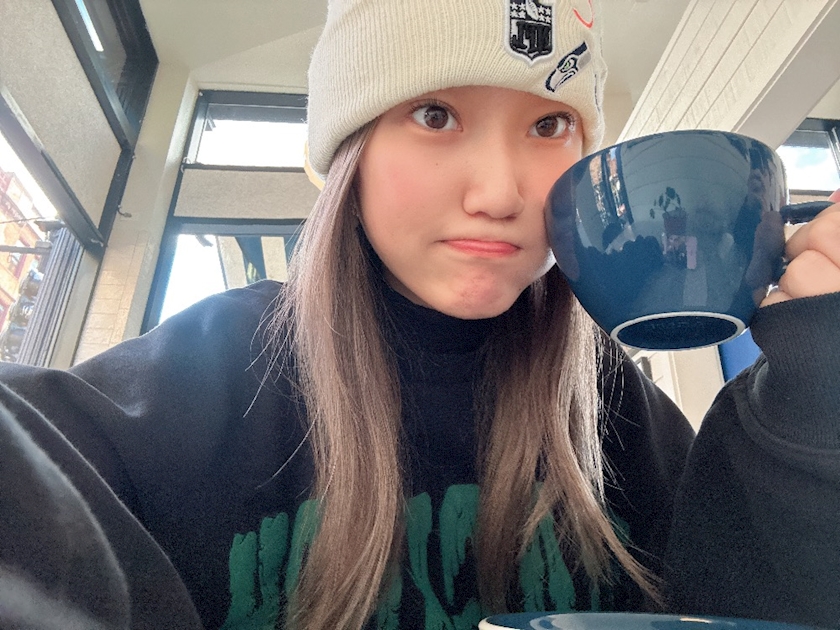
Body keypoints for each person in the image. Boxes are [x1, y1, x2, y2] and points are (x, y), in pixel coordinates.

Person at [1, 1, 839, 629]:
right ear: (350, 155)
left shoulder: (618, 407)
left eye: (549, 124)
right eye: (435, 115)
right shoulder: (207, 368)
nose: (500, 193)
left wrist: (814, 387)